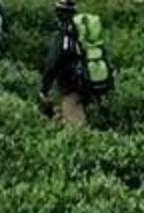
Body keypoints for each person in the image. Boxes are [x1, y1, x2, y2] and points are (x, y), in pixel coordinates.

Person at [39, 0, 101, 128]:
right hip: (87, 81)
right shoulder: (82, 32)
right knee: (64, 117)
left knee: (76, 128)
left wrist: (44, 89)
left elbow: (52, 63)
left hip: (71, 87)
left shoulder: (63, 35)